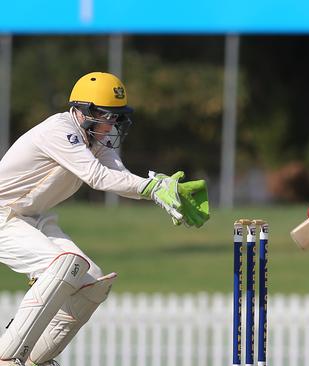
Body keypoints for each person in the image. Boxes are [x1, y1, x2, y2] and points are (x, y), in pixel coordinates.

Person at [0, 72, 209, 366]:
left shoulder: (97, 138)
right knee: (65, 264)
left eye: (116, 117)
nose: (111, 124)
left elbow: (119, 177)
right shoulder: (60, 131)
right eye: (105, 116)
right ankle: (7, 358)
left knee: (93, 283)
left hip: (32, 216)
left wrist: (158, 188)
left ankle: (36, 360)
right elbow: (96, 176)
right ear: (82, 111)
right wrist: (150, 189)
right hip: (3, 213)